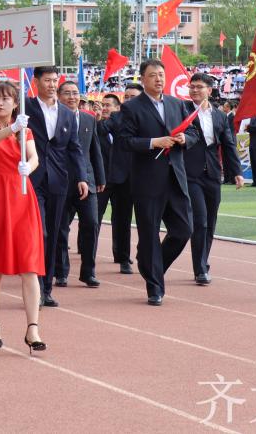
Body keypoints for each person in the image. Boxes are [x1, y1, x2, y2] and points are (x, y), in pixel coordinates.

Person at [0, 66, 87, 308]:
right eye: (47, 80)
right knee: (40, 234)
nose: (51, 84)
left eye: (54, 80)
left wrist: (82, 176)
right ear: (35, 82)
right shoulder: (27, 107)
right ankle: (37, 283)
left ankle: (46, 289)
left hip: (57, 178)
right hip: (27, 183)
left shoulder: (67, 114)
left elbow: (74, 148)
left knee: (55, 233)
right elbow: (0, 105)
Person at [116, 58, 198, 306]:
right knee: (150, 233)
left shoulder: (177, 104)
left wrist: (185, 139)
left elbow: (193, 132)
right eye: (152, 75)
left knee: (183, 230)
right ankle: (155, 287)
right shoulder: (132, 108)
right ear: (143, 79)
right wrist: (153, 142)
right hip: (147, 180)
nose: (158, 79)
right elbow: (124, 141)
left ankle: (150, 264)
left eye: (161, 74)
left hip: (176, 177)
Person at [0, 80, 45, 352]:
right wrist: (11, 130)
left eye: (5, 99)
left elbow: (34, 157)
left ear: (16, 104)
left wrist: (29, 167)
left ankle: (33, 328)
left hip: (22, 196)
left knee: (29, 266)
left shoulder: (25, 130)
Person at [184, 74, 244, 285]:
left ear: (209, 90)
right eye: (192, 87)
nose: (194, 90)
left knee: (210, 222)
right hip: (190, 173)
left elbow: (228, 144)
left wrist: (237, 172)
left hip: (212, 173)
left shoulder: (219, 116)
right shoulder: (183, 110)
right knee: (199, 221)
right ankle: (200, 268)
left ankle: (203, 262)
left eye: (199, 87)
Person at [55, 81, 105, 288]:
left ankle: (88, 272)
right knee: (60, 229)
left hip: (87, 180)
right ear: (58, 96)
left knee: (92, 224)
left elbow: (94, 150)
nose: (72, 97)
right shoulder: (54, 118)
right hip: (60, 181)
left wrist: (100, 178)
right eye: (67, 93)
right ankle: (60, 271)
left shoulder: (88, 119)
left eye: (75, 93)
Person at [96, 92, 134, 274]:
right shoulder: (101, 124)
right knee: (93, 219)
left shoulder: (132, 121)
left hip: (124, 178)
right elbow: (101, 130)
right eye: (103, 105)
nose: (104, 108)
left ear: (117, 107)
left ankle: (123, 258)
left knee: (122, 220)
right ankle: (88, 255)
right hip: (101, 180)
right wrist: (98, 121)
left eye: (108, 105)